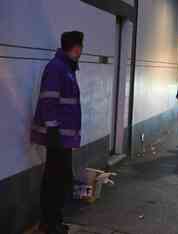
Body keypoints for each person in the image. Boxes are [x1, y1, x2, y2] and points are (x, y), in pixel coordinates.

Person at [31, 31, 84, 234]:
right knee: (54, 180)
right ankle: (49, 223)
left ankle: (53, 220)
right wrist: (52, 128)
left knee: (59, 178)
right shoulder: (57, 68)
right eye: (79, 46)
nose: (80, 51)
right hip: (57, 136)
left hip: (62, 136)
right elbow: (48, 100)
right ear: (73, 47)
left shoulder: (66, 68)